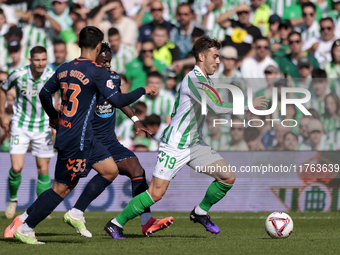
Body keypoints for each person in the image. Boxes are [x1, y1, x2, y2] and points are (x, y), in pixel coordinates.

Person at [102, 35, 268, 239]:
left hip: (194, 143)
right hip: (175, 145)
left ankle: (200, 212)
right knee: (155, 193)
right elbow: (215, 106)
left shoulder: (205, 79)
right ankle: (115, 224)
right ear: (201, 56)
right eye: (215, 56)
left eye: (219, 57)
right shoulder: (194, 79)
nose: (218, 61)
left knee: (227, 177)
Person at [6, 26, 155, 244]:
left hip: (83, 136)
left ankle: (75, 213)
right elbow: (119, 101)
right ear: (97, 46)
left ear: (78, 44)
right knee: (61, 188)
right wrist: (143, 89)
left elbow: (45, 92)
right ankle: (26, 226)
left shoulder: (64, 68)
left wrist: (53, 116)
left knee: (110, 170)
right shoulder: (97, 71)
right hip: (77, 138)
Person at [63, 43, 173, 238]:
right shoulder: (89, 80)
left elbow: (119, 100)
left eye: (109, 61)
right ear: (95, 60)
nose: (107, 65)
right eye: (103, 61)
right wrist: (142, 90)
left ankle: (146, 221)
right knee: (63, 187)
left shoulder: (113, 77)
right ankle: (28, 221)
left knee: (136, 170)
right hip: (90, 141)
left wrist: (136, 120)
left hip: (110, 141)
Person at [0, 46, 55, 221]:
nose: (41, 63)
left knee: (43, 169)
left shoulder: (51, 75)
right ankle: (13, 199)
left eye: (44, 60)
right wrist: (2, 115)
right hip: (21, 125)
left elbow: (63, 93)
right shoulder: (19, 74)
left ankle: (42, 206)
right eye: (37, 60)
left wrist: (57, 117)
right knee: (17, 167)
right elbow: (3, 89)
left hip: (43, 127)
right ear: (30, 60)